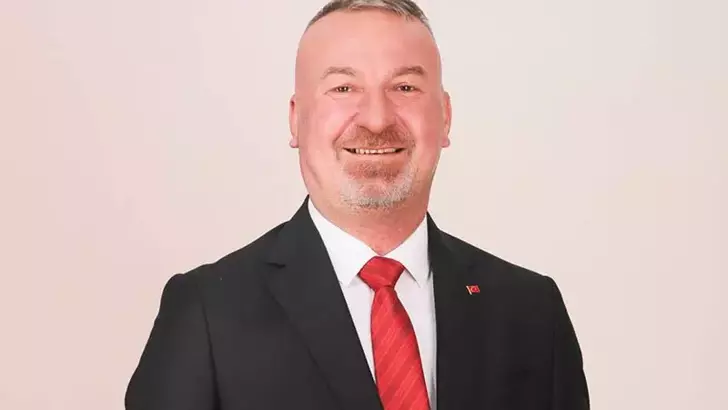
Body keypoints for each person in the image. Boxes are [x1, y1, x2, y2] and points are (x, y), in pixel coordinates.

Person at [124, 1, 590, 409]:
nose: (377, 119)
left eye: (404, 87)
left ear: (445, 117)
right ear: (296, 120)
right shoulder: (207, 315)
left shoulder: (531, 313)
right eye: (343, 88)